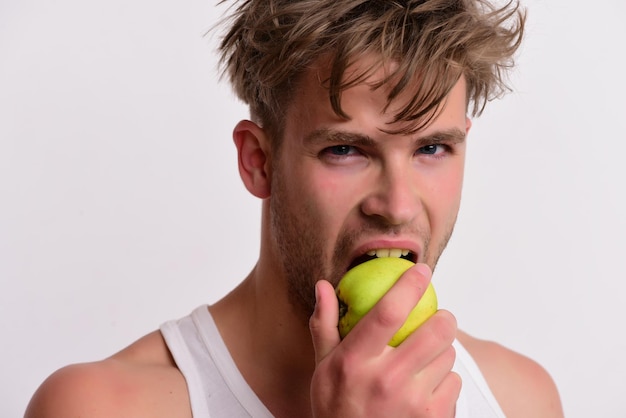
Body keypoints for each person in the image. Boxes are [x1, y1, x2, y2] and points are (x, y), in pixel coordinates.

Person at [25, 0, 564, 416]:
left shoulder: (519, 399)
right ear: (259, 161)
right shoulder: (103, 406)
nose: (397, 207)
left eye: (431, 149)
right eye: (345, 150)